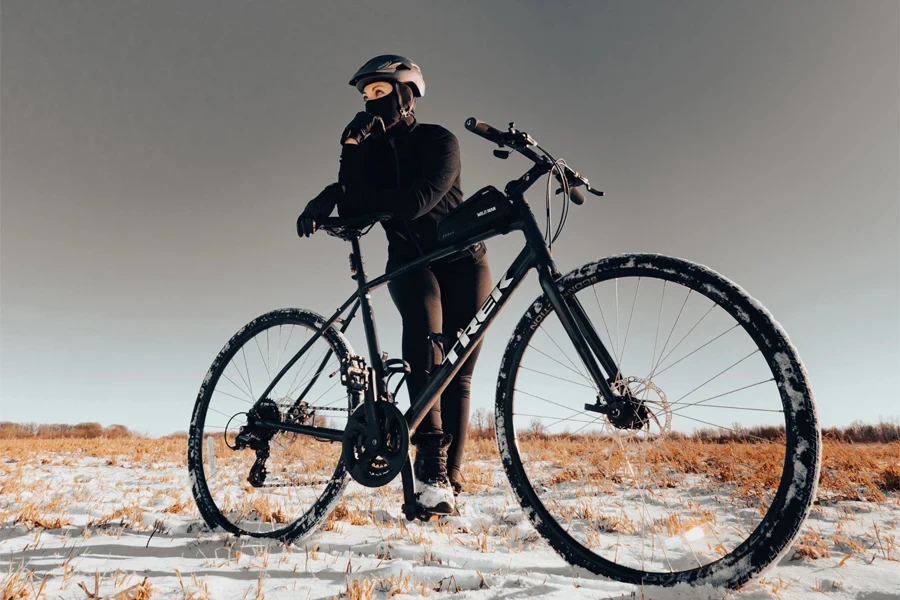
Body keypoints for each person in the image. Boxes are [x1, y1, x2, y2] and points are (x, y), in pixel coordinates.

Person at [296, 55, 492, 516]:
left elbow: (416, 201)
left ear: (406, 93)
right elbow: (351, 197)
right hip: (410, 263)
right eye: (365, 97)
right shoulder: (369, 153)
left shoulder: (440, 141)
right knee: (427, 351)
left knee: (457, 374)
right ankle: (430, 474)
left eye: (379, 93)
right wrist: (348, 153)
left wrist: (353, 197)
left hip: (465, 263)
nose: (369, 103)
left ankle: (451, 477)